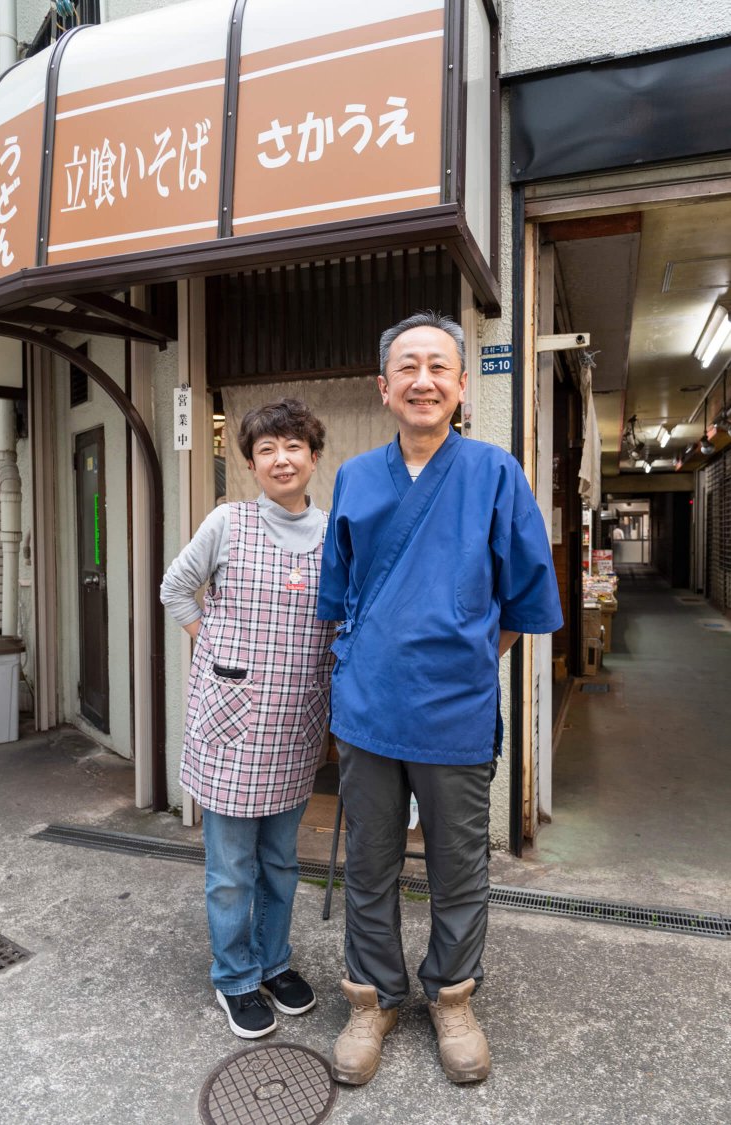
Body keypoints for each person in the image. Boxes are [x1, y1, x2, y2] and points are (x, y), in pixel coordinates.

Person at [317, 312, 563, 1086]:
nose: (423, 380)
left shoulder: (496, 473)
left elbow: (523, 604)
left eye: (440, 367)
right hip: (368, 710)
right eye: (408, 366)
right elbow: (337, 592)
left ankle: (452, 996)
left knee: (458, 866)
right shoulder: (356, 475)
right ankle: (373, 997)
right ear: (382, 386)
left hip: (454, 710)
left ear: (461, 386)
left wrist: (459, 653)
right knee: (370, 862)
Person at [161, 399, 335, 1040]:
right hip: (229, 724)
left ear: (314, 458)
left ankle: (274, 962)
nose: (280, 458)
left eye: (293, 446)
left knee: (282, 861)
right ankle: (234, 976)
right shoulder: (226, 523)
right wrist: (212, 647)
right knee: (231, 867)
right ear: (252, 464)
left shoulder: (334, 531)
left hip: (295, 721)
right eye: (266, 449)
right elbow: (174, 587)